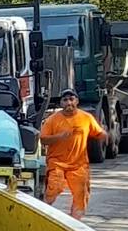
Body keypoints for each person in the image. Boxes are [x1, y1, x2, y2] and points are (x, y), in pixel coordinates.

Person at [38, 88, 106, 218]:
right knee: (54, 187)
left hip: (79, 164)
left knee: (81, 193)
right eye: (65, 100)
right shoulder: (52, 120)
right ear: (61, 104)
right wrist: (59, 137)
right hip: (57, 163)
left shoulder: (86, 118)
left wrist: (105, 135)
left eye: (71, 99)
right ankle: (42, 215)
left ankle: (76, 222)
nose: (69, 102)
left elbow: (99, 132)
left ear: (77, 101)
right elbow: (43, 139)